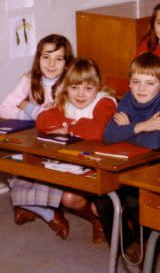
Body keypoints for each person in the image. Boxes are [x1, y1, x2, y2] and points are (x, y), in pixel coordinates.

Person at [99, 53, 160, 262]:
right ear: (129, 83)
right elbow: (108, 135)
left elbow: (154, 143)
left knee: (133, 198)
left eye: (149, 83)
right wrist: (141, 126)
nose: (141, 89)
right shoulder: (129, 98)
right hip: (136, 160)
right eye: (136, 82)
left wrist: (127, 129)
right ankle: (127, 243)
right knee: (102, 193)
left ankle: (145, 240)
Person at [36, 58, 117, 242]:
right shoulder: (65, 101)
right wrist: (73, 124)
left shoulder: (105, 102)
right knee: (69, 199)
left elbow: (99, 131)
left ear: (98, 87)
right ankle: (97, 221)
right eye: (74, 87)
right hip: (79, 163)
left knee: (99, 206)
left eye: (88, 88)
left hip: (105, 167)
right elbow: (42, 121)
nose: (80, 94)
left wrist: (68, 128)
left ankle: (113, 221)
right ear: (67, 87)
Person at [1, 35, 74, 237]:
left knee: (47, 171)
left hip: (59, 142)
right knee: (15, 165)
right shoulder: (28, 80)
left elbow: (63, 118)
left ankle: (29, 207)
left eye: (58, 59)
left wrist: (29, 107)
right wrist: (34, 115)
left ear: (67, 64)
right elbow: (5, 108)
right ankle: (47, 213)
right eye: (46, 57)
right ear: (38, 59)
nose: (51, 64)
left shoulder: (70, 83)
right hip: (33, 137)